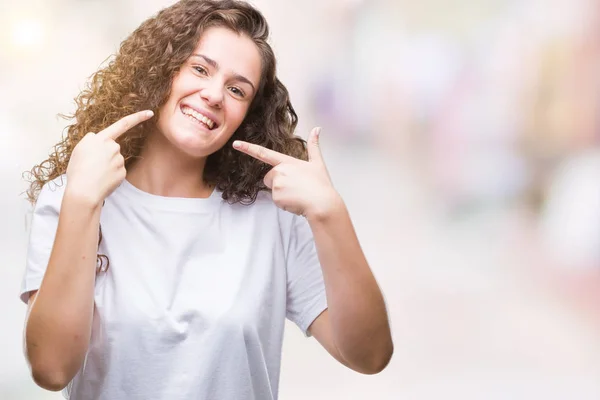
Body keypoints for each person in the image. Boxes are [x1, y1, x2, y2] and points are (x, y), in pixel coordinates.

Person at [20, 0, 393, 399]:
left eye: (237, 89)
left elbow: (369, 356)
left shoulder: (272, 215)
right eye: (200, 69)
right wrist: (82, 203)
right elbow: (51, 368)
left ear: (247, 116)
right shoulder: (73, 195)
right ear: (160, 71)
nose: (214, 95)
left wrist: (330, 213)